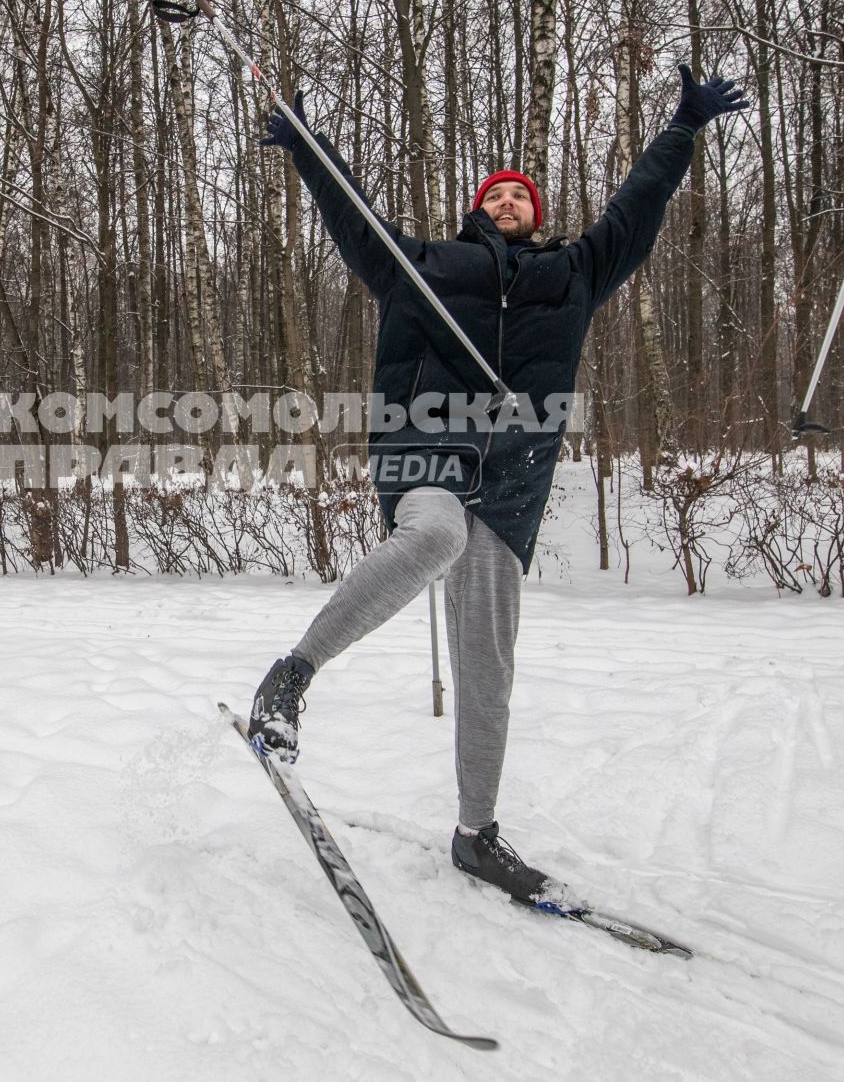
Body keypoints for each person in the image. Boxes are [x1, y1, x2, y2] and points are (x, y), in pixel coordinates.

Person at [246, 65, 748, 904]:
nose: (509, 202)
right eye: (497, 195)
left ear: (538, 213)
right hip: (424, 446)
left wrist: (683, 131)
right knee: (434, 534)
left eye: (522, 196)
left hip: (514, 478)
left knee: (489, 662)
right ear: (478, 209)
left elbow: (637, 210)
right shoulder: (432, 267)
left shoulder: (573, 276)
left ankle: (477, 833)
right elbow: (354, 217)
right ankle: (292, 676)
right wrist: (308, 148)